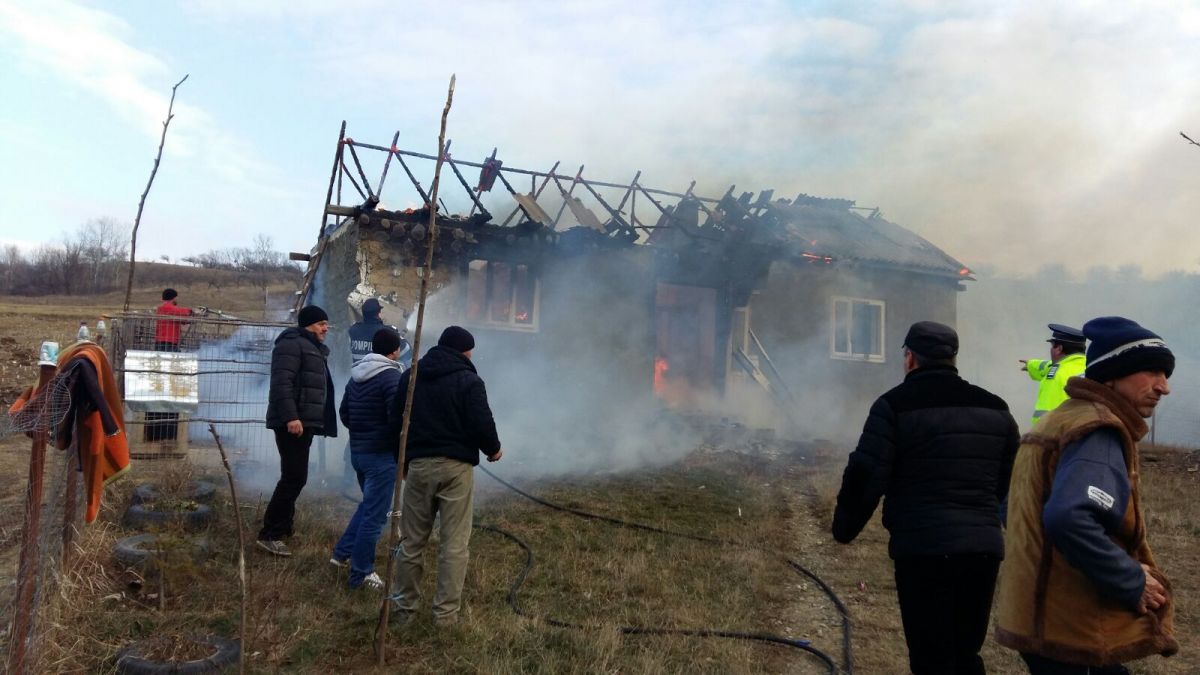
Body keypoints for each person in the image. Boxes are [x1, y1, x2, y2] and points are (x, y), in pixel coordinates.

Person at [831, 321, 1020, 675]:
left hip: (922, 551)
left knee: (930, 655)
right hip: (981, 551)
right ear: (953, 358)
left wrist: (844, 527)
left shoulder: (893, 406)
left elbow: (866, 473)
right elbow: (1006, 481)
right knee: (965, 652)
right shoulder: (997, 409)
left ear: (910, 358)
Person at [995, 316, 1178, 674]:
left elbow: (1011, 509)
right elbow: (1069, 517)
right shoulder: (1099, 430)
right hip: (1072, 627)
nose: (1164, 387)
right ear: (1112, 375)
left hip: (1038, 618)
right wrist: (1131, 578)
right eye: (1152, 372)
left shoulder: (1059, 419)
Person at [392, 326, 502, 626]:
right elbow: (481, 421)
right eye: (470, 352)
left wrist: (401, 461)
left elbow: (395, 420)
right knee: (454, 544)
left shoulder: (411, 377)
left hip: (418, 466)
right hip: (456, 470)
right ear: (464, 352)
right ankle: (445, 616)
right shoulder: (469, 381)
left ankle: (403, 612)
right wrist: (493, 449)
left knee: (410, 542)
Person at [257, 305, 338, 557]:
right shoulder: (291, 345)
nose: (325, 328)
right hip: (292, 423)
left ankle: (284, 527)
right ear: (308, 325)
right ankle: (270, 534)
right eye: (321, 324)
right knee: (294, 477)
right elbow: (282, 383)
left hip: (304, 422)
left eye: (326, 324)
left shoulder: (310, 346)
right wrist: (291, 416)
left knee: (294, 476)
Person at [331, 328, 404, 589]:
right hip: (381, 456)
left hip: (359, 453)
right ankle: (361, 573)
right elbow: (397, 418)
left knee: (369, 507)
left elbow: (345, 413)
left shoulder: (357, 375)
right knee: (375, 516)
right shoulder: (391, 377)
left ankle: (341, 554)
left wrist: (362, 432)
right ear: (394, 351)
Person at [1020, 323, 1087, 426]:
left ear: (1059, 349)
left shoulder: (1055, 377)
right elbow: (1048, 366)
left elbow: (1045, 418)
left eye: (1052, 346)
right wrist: (1031, 365)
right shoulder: (1090, 367)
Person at [349, 298, 410, 368]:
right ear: (379, 312)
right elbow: (407, 350)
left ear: (363, 313)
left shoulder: (352, 330)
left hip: (357, 372)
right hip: (382, 373)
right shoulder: (388, 332)